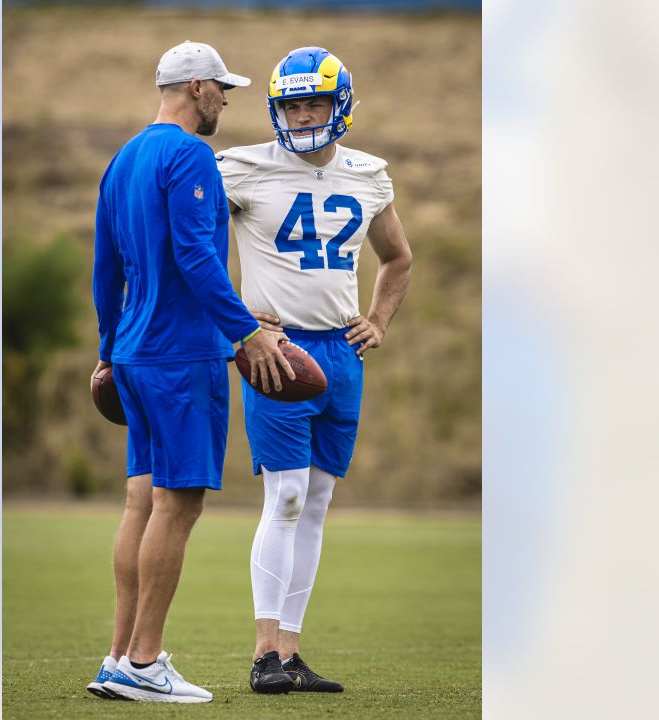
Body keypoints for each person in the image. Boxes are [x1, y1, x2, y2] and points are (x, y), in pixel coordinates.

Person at [86, 40, 294, 704]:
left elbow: (105, 270)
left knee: (140, 502)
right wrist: (245, 331)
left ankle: (118, 657)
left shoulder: (122, 159)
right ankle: (146, 663)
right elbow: (196, 257)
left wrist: (106, 349)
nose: (228, 101)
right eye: (223, 90)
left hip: (136, 354)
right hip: (183, 357)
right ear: (198, 87)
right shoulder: (189, 154)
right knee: (179, 506)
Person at [216, 46, 414, 695]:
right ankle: (263, 652)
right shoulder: (242, 168)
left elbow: (397, 258)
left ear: (341, 104)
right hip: (277, 348)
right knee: (289, 495)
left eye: (314, 102)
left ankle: (291, 652)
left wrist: (378, 319)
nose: (302, 115)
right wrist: (239, 325)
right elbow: (191, 241)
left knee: (319, 502)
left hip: (341, 351)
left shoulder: (369, 174)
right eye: (291, 104)